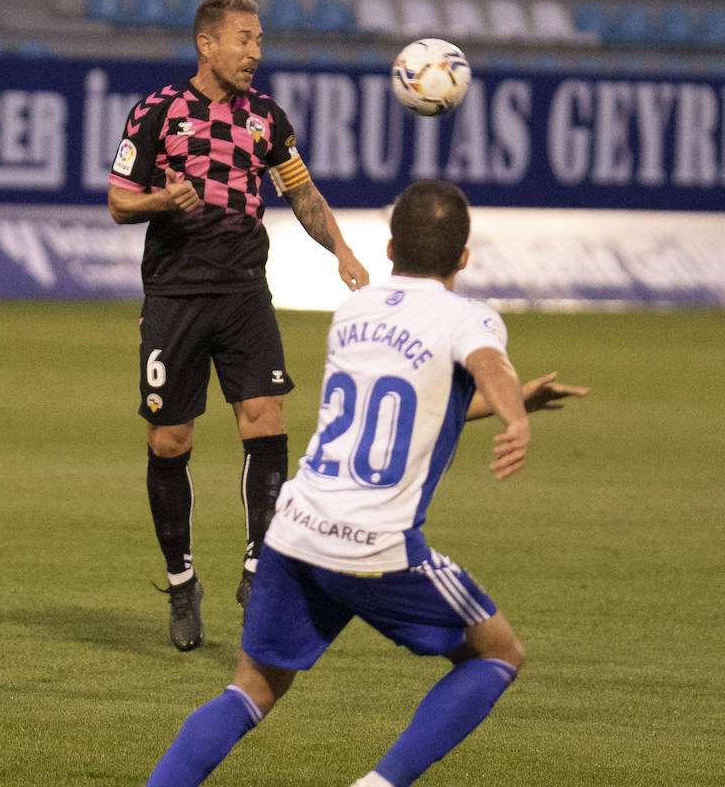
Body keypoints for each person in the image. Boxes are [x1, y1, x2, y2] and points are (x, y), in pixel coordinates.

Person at [141, 179, 589, 787]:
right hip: (375, 544)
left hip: (295, 531)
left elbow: (405, 405)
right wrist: (512, 412)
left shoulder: (354, 312)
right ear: (463, 257)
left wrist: (515, 404)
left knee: (250, 691)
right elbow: (490, 364)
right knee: (498, 653)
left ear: (386, 249)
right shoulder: (469, 317)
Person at [108, 0, 370, 651]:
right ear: (207, 43)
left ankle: (257, 565)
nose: (255, 51)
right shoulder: (158, 112)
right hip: (175, 295)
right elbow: (117, 202)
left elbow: (302, 192)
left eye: (259, 40)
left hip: (246, 290)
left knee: (267, 419)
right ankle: (180, 579)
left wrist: (340, 247)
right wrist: (162, 198)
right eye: (245, 39)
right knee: (169, 441)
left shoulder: (266, 120)